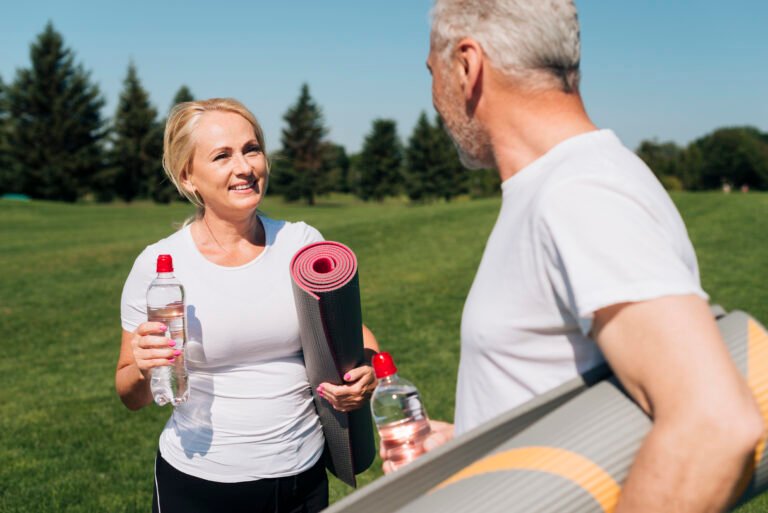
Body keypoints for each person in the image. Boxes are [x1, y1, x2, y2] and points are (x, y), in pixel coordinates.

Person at [381, 1, 765, 511]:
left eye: (433, 72)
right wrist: (474, 444)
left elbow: (713, 424)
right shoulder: (564, 185)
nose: (433, 95)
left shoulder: (582, 191)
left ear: (468, 66)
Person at [115, 98, 379, 513]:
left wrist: (368, 368)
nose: (245, 167)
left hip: (302, 478)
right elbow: (130, 393)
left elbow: (354, 333)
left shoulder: (301, 243)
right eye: (222, 156)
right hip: (200, 484)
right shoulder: (160, 266)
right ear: (188, 177)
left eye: (251, 149)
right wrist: (145, 366)